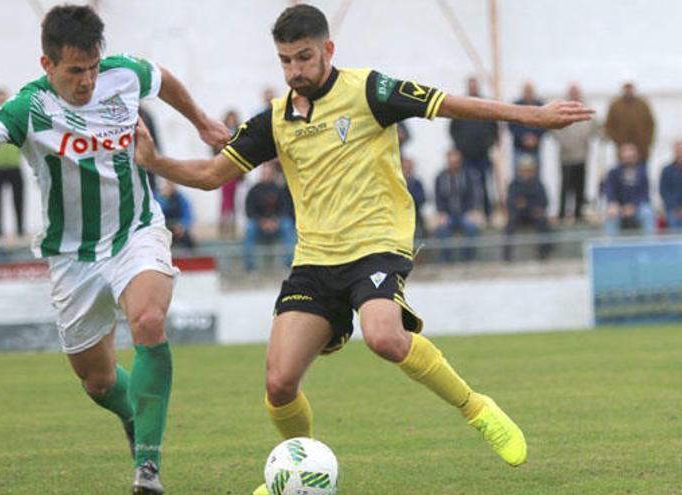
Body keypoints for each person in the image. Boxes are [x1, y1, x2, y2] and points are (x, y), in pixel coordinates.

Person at [133, 7, 593, 493]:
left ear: (328, 50)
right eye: (286, 61)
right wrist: (155, 161)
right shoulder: (275, 120)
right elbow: (210, 177)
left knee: (384, 337)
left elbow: (451, 104)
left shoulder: (370, 91)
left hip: (377, 244)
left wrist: (532, 116)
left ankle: (476, 408)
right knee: (278, 384)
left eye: (304, 58)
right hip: (314, 259)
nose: (295, 71)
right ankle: (298, 473)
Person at [0, 6, 230, 494]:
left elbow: (163, 78)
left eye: (93, 67)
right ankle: (132, 413)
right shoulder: (28, 108)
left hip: (136, 231)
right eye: (75, 71)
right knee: (97, 381)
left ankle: (148, 466)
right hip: (71, 254)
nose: (88, 81)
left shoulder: (124, 73)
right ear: (47, 64)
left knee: (149, 322)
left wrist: (202, 121)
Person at [449, 76, 498, 221]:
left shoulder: (486, 105)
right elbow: (453, 130)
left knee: (485, 184)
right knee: (466, 186)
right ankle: (468, 215)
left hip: (483, 154)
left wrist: (489, 143)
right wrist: (460, 147)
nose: (473, 88)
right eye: (471, 86)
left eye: (475, 85)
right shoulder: (460, 105)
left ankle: (488, 214)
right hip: (466, 155)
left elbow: (494, 127)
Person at [552, 84, 598, 222]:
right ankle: (561, 214)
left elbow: (593, 127)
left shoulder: (586, 109)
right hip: (566, 155)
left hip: (581, 155)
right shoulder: (561, 109)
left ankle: (578, 214)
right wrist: (565, 143)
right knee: (565, 186)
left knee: (580, 186)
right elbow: (555, 129)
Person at [243, 161, 296, 271]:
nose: (266, 175)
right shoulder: (254, 190)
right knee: (249, 228)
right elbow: (249, 210)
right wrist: (261, 222)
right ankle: (250, 266)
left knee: (288, 225)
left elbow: (286, 208)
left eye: (269, 172)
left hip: (277, 223)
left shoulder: (280, 190)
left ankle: (290, 263)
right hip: (259, 224)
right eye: (264, 172)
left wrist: (275, 221)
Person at [0, 88, 25, 242]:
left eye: (3, 98)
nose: (1, 101)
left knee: (18, 201)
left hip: (14, 166)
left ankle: (20, 232)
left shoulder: (14, 118)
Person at [434, 149, 484, 262]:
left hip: (466, 212)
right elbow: (438, 197)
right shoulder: (440, 177)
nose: (453, 165)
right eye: (451, 162)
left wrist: (474, 210)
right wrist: (441, 213)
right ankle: (446, 259)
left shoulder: (469, 175)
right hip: (448, 214)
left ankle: (469, 258)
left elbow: (475, 194)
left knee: (471, 227)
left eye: (456, 162)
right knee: (442, 229)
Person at [503, 155, 552, 261]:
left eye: (529, 170)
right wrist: (528, 206)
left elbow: (544, 202)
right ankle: (507, 256)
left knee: (543, 223)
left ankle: (544, 254)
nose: (527, 172)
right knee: (509, 225)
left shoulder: (538, 184)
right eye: (524, 170)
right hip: (518, 215)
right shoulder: (514, 184)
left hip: (534, 215)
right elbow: (511, 203)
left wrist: (526, 205)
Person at [603, 143, 656, 235]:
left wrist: (633, 205)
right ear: (621, 157)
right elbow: (609, 190)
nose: (628, 159)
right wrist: (613, 203)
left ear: (636, 156)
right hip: (619, 207)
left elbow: (644, 194)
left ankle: (649, 243)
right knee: (610, 215)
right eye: (626, 157)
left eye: (631, 156)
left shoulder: (643, 172)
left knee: (647, 213)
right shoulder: (613, 172)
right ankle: (610, 245)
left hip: (637, 207)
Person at [605, 80, 656, 163]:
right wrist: (618, 142)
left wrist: (647, 142)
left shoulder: (643, 105)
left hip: (642, 150)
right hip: (622, 150)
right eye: (626, 87)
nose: (628, 90)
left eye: (630, 87)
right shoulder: (615, 105)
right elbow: (609, 126)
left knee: (641, 173)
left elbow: (651, 124)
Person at [507, 82, 547, 173]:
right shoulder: (516, 106)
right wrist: (523, 137)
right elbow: (511, 125)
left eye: (530, 91)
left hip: (535, 148)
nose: (528, 93)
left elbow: (545, 124)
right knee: (519, 175)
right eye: (526, 91)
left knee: (535, 175)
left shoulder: (541, 106)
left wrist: (536, 137)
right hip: (519, 148)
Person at [217, 109, 243, 239]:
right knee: (225, 200)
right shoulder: (221, 132)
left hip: (235, 170)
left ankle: (231, 226)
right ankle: (223, 225)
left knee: (233, 200)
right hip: (223, 169)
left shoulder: (239, 132)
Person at [154, 179, 196, 250]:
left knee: (189, 241)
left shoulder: (181, 198)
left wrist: (182, 226)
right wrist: (165, 198)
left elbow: (188, 215)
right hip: (163, 227)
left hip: (177, 227)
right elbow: (157, 213)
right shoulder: (158, 197)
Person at [660, 140, 682, 230]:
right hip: (672, 208)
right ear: (674, 152)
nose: (680, 153)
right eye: (678, 151)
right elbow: (664, 191)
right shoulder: (666, 170)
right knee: (672, 220)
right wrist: (675, 207)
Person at [402, 157, 426, 240]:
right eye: (405, 168)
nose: (407, 170)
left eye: (409, 168)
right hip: (400, 216)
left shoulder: (417, 183)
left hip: (415, 216)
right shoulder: (398, 183)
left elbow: (422, 199)